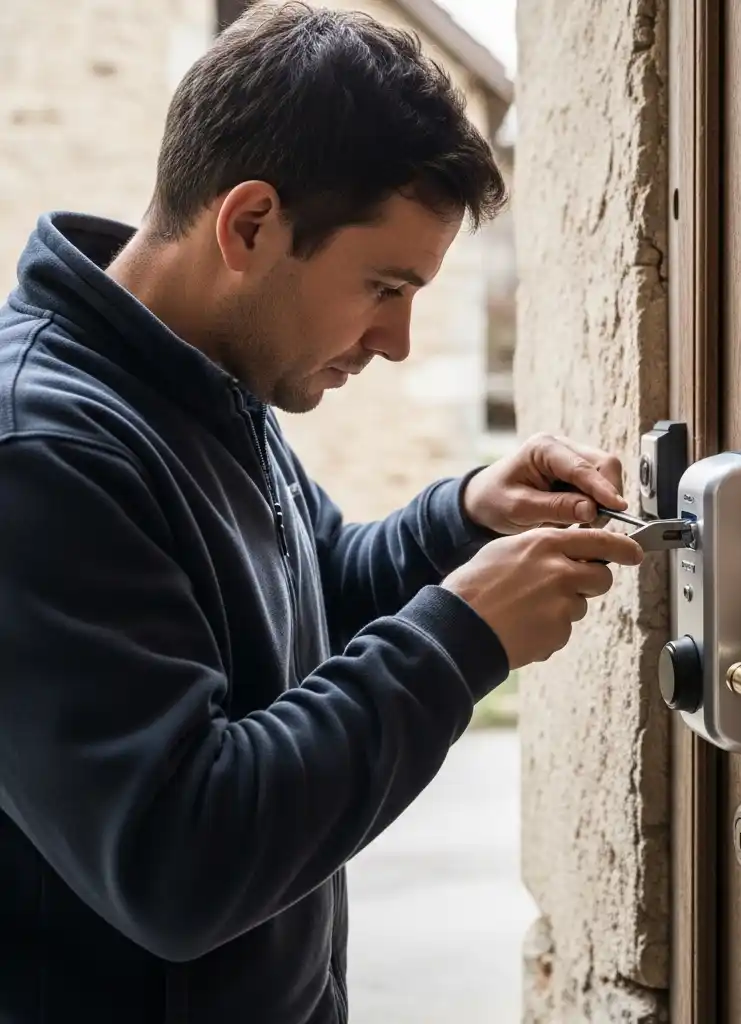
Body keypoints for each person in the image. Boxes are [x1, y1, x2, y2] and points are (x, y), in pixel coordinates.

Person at [0, 3, 644, 1022]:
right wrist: (461, 637)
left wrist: (464, 517)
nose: (394, 340)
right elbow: (181, 858)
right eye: (384, 285)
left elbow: (316, 591)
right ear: (249, 225)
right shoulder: (40, 455)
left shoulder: (204, 376)